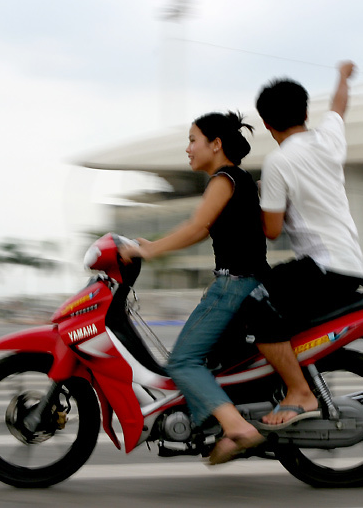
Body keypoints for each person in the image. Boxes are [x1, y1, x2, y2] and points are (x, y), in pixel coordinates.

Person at [119, 111, 268, 464]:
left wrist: (148, 251)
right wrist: (152, 245)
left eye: (192, 140)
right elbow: (202, 229)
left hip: (234, 285)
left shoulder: (224, 179)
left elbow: (196, 226)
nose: (187, 149)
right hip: (244, 283)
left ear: (215, 144)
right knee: (204, 360)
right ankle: (211, 425)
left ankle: (237, 429)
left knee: (183, 361)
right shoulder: (236, 179)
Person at [245, 61, 363, 426]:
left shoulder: (278, 161)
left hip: (322, 267)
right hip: (349, 265)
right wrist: (342, 76)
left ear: (265, 123)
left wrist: (255, 202)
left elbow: (271, 230)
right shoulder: (328, 139)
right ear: (306, 112)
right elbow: (339, 106)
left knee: (252, 305)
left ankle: (299, 391)